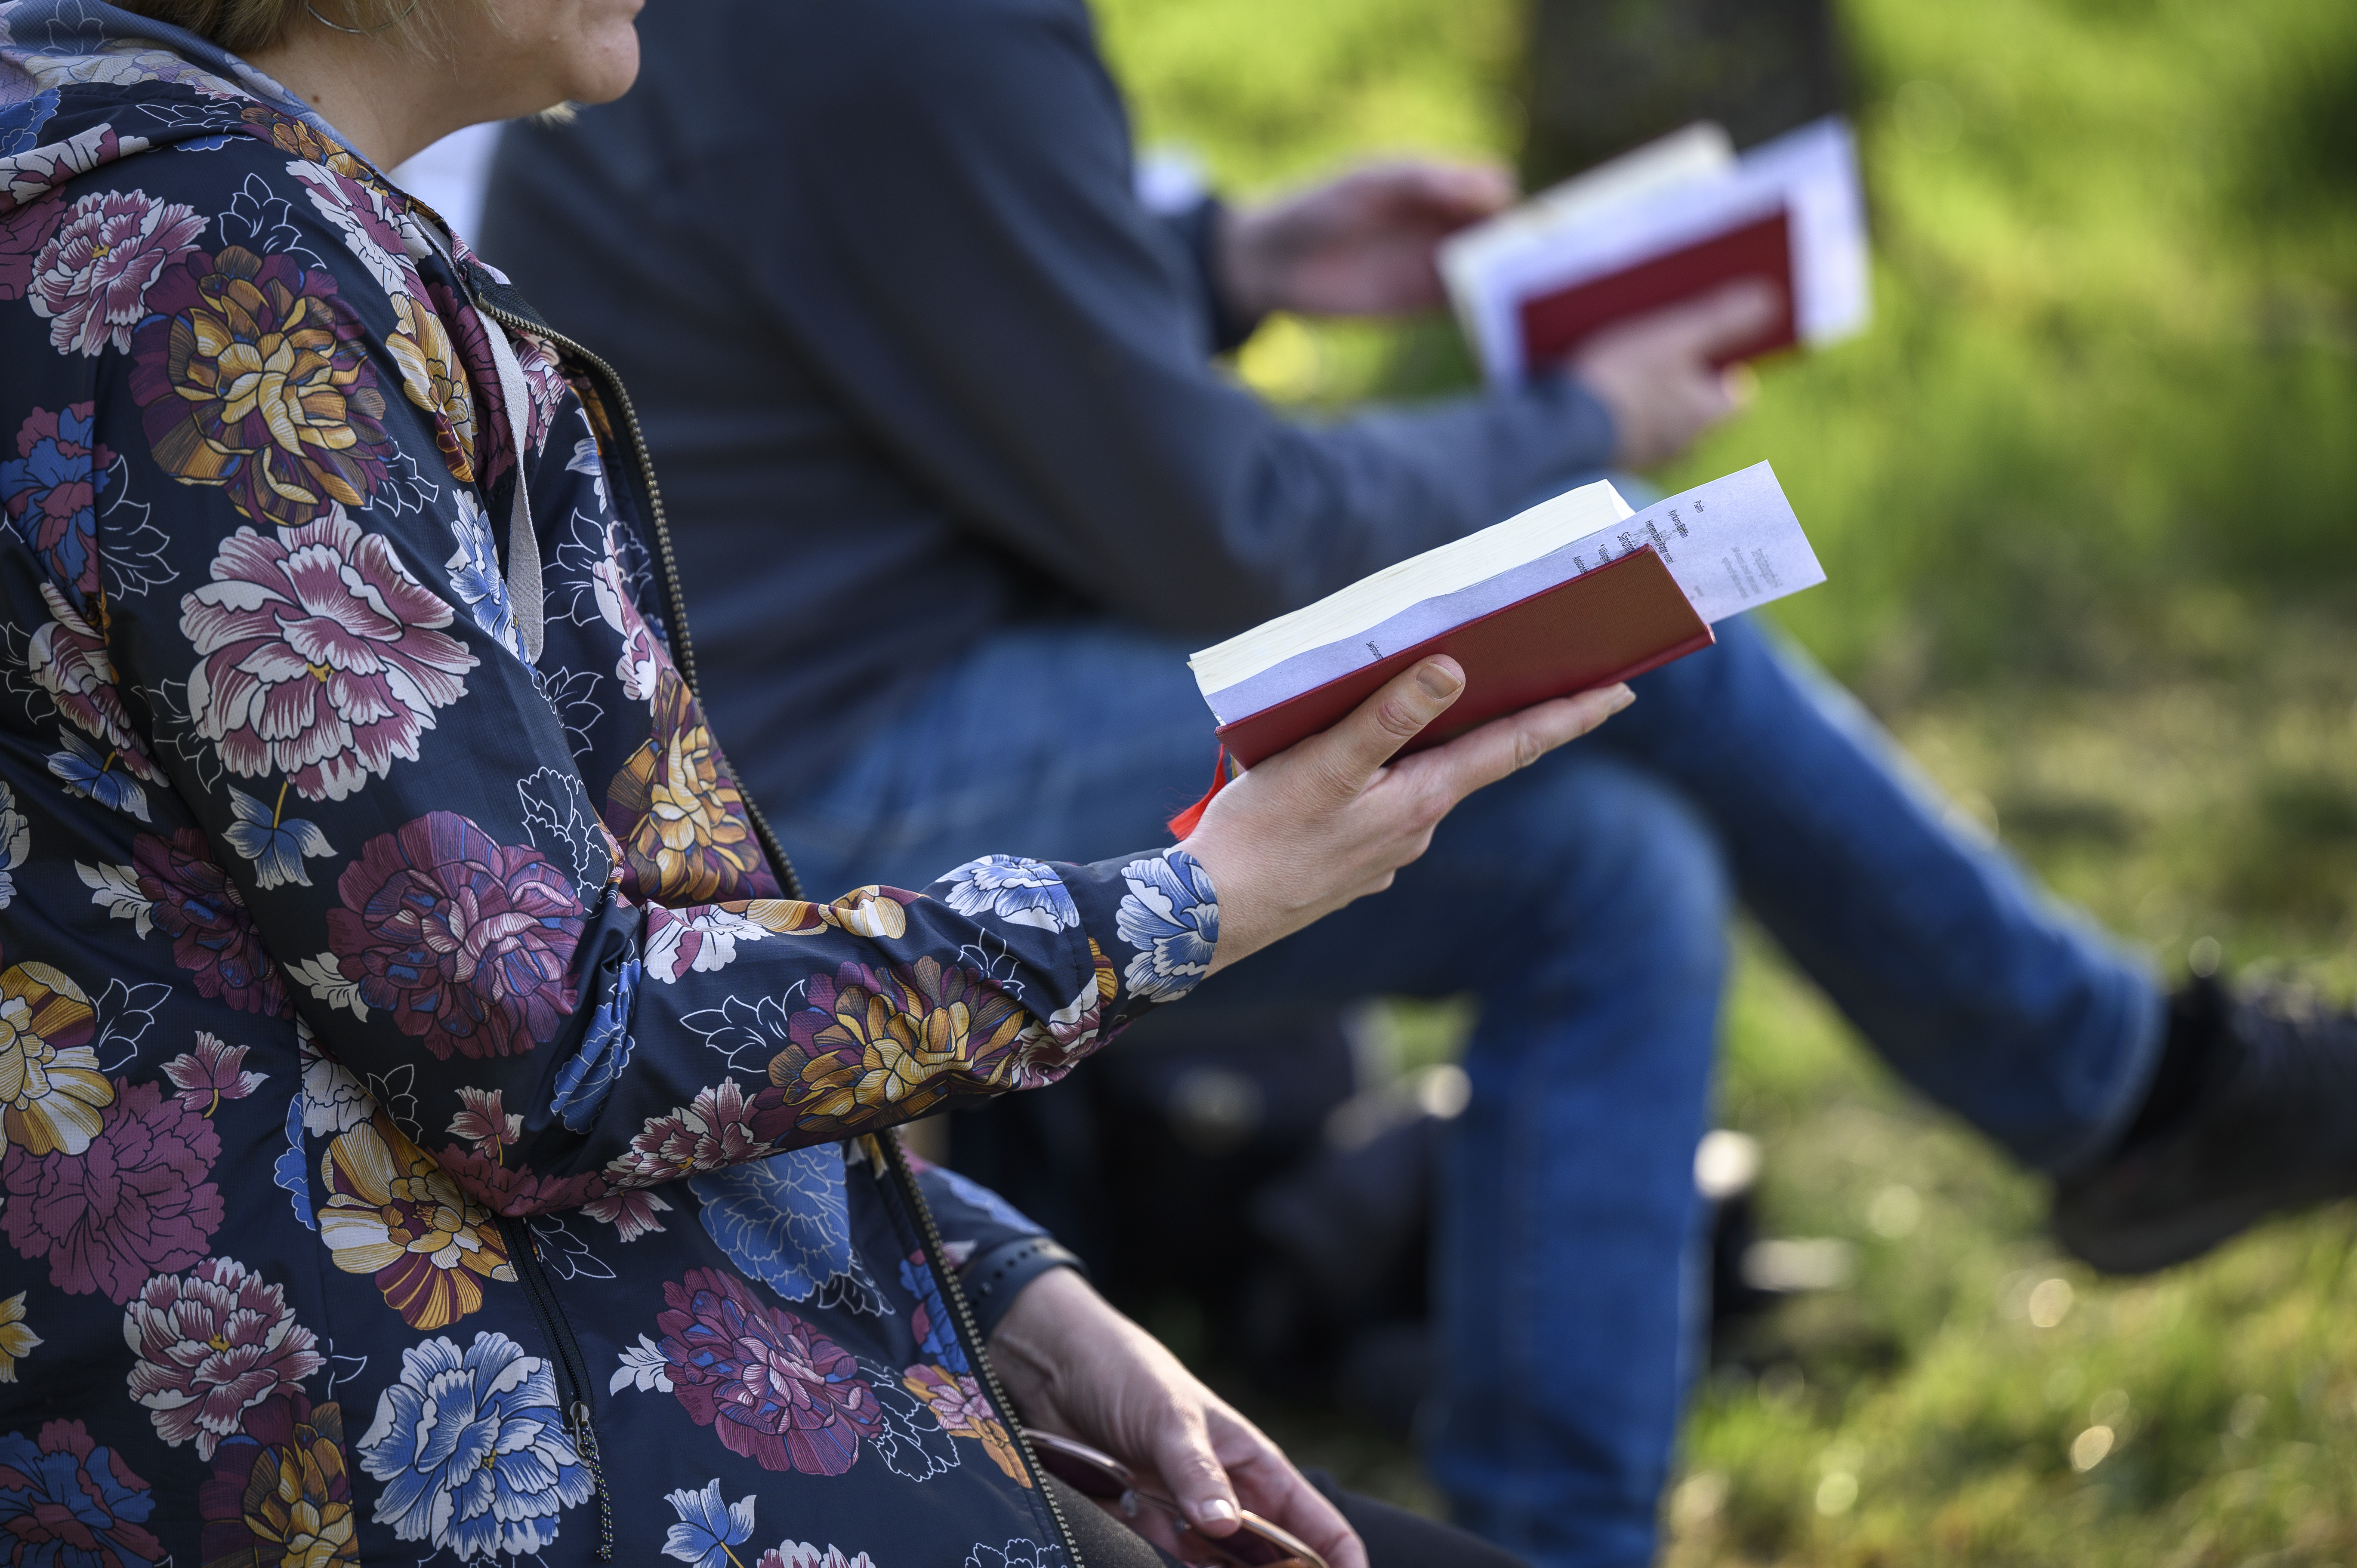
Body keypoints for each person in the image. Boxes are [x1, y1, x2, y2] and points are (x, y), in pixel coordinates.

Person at [478, 2, 2357, 1563]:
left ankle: (1550, 1534)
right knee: (1613, 557)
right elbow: (1222, 530)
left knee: (1607, 865)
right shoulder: (912, 24)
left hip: (821, 699)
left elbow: (917, 282)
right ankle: (2119, 1091)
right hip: (791, 787)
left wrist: (1233, 259)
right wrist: (1571, 425)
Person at [0, 1, 1638, 1562]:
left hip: (490, 1342)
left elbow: (473, 984)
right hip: (417, 1450)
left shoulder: (178, 203)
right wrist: (1174, 911)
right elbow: (541, 1052)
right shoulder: (232, 292)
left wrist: (1003, 1296)